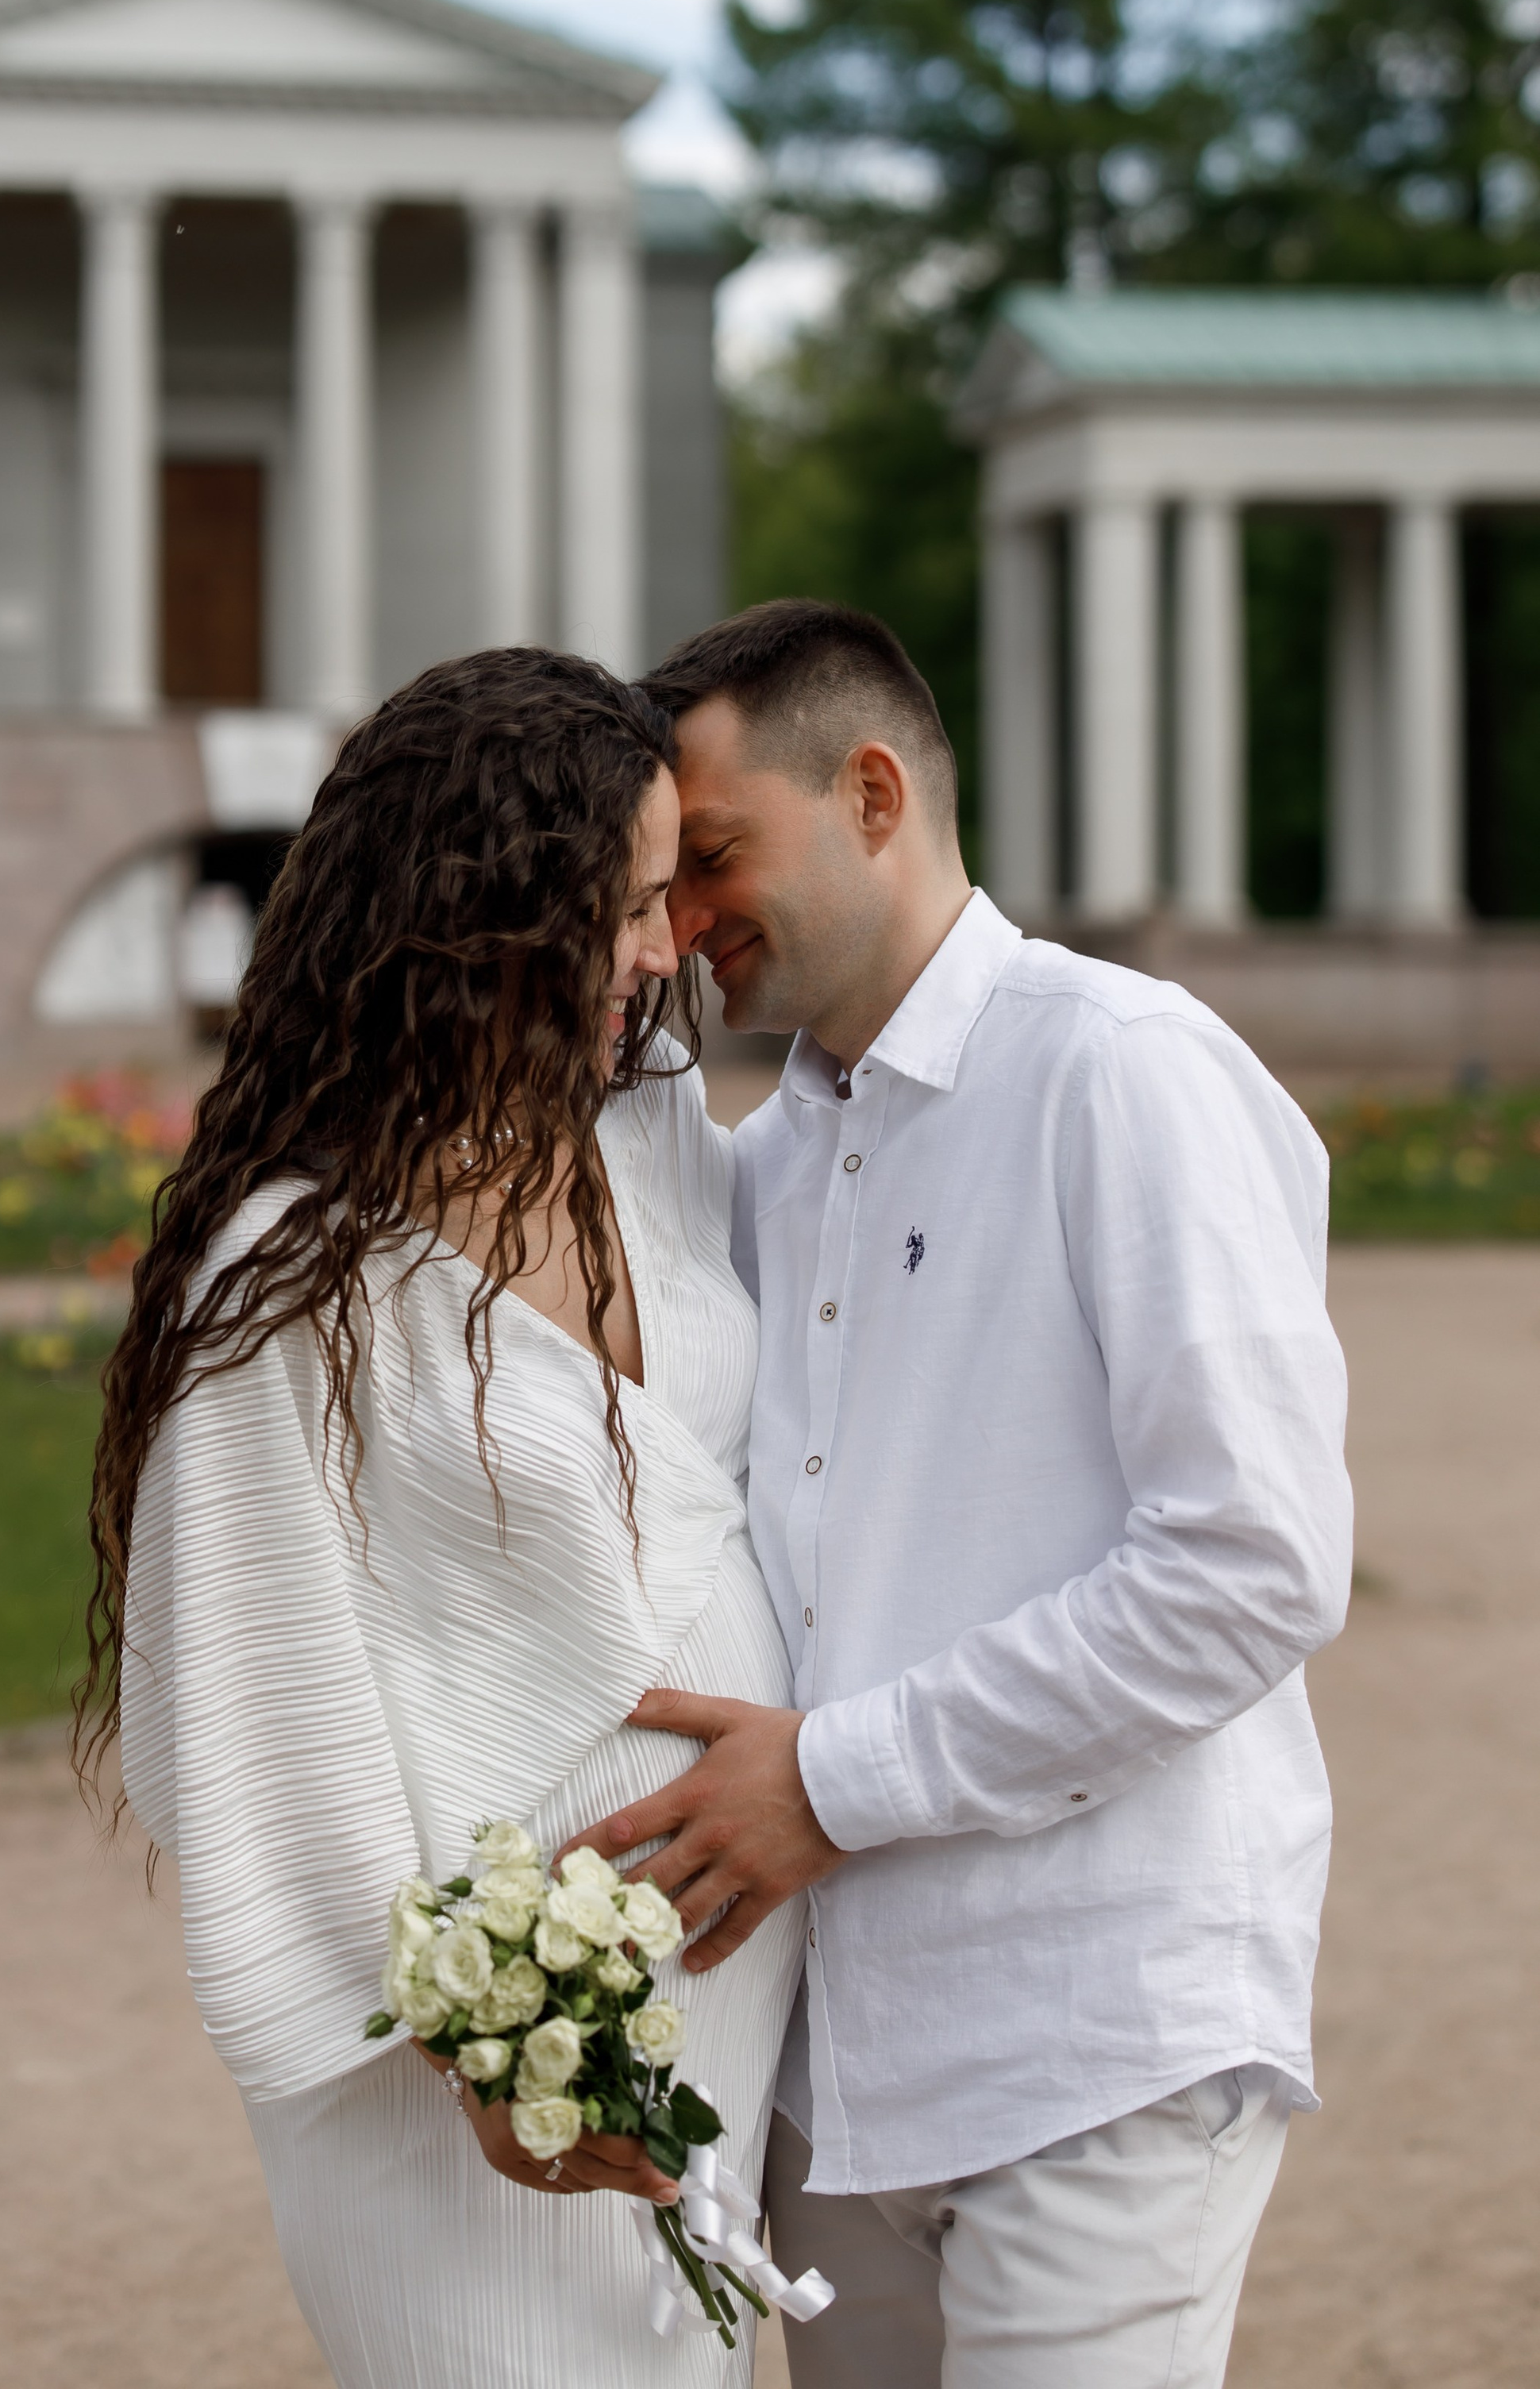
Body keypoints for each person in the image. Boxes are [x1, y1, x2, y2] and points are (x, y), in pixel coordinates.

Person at [565, 598, 1353, 2389]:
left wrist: (832, 1783)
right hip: (835, 2073)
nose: (681, 926)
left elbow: (1250, 1562)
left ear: (866, 793)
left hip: (1098, 2038)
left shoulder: (1120, 1072)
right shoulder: (754, 1174)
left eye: (709, 859)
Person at [79, 648, 806, 2389]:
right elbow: (264, 1711)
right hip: (468, 2064)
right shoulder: (289, 1271)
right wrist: (479, 2044)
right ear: (489, 908)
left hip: (717, 1963)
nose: (664, 950)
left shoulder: (648, 1137)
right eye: (627, 905)